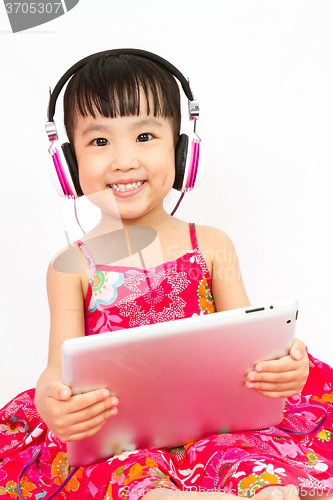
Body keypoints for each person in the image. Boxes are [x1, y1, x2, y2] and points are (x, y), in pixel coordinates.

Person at [0, 50, 332, 500]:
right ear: (69, 164)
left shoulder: (212, 245)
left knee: (252, 462)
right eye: (100, 142)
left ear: (181, 149)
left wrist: (282, 367)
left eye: (144, 136)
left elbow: (252, 345)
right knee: (127, 478)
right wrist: (53, 406)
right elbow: (56, 372)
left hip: (215, 425)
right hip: (120, 440)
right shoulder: (71, 266)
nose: (123, 160)